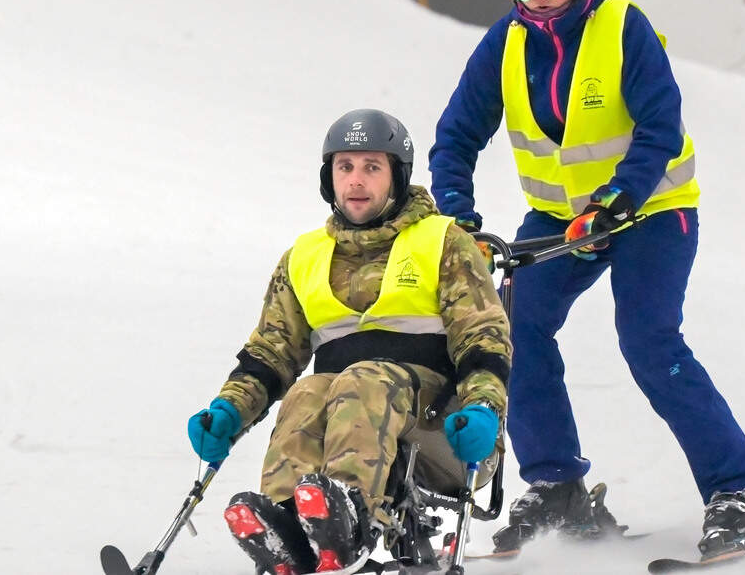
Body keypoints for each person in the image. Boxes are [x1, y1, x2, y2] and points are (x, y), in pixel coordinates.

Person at [428, 0, 745, 557]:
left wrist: (618, 199)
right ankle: (557, 485)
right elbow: (455, 136)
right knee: (513, 329)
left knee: (648, 338)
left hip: (652, 210)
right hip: (562, 219)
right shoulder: (505, 44)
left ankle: (741, 493)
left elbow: (661, 126)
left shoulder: (623, 26)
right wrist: (459, 216)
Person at [187, 109, 512, 574]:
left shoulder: (444, 242)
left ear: (397, 176)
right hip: (351, 413)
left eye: (371, 167)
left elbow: (483, 337)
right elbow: (270, 354)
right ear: (329, 177)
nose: (356, 180)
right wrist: (230, 411)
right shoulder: (305, 258)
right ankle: (291, 530)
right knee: (307, 392)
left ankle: (348, 520)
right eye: (345, 167)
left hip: (446, 432)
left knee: (363, 379)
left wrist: (483, 409)